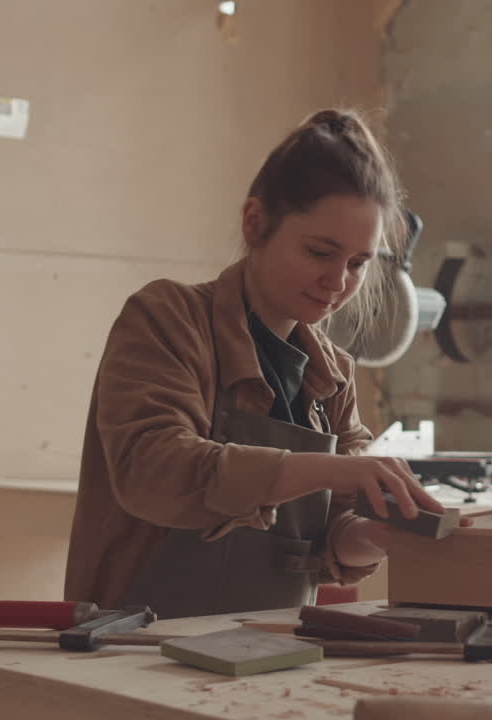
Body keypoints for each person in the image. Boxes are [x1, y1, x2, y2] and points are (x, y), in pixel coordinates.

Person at [65, 109, 461, 619]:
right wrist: (332, 468)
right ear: (255, 223)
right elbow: (153, 470)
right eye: (320, 252)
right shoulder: (167, 319)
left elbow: (331, 548)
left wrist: (382, 534)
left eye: (359, 264)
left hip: (268, 659)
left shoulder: (331, 377)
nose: (338, 282)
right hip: (136, 651)